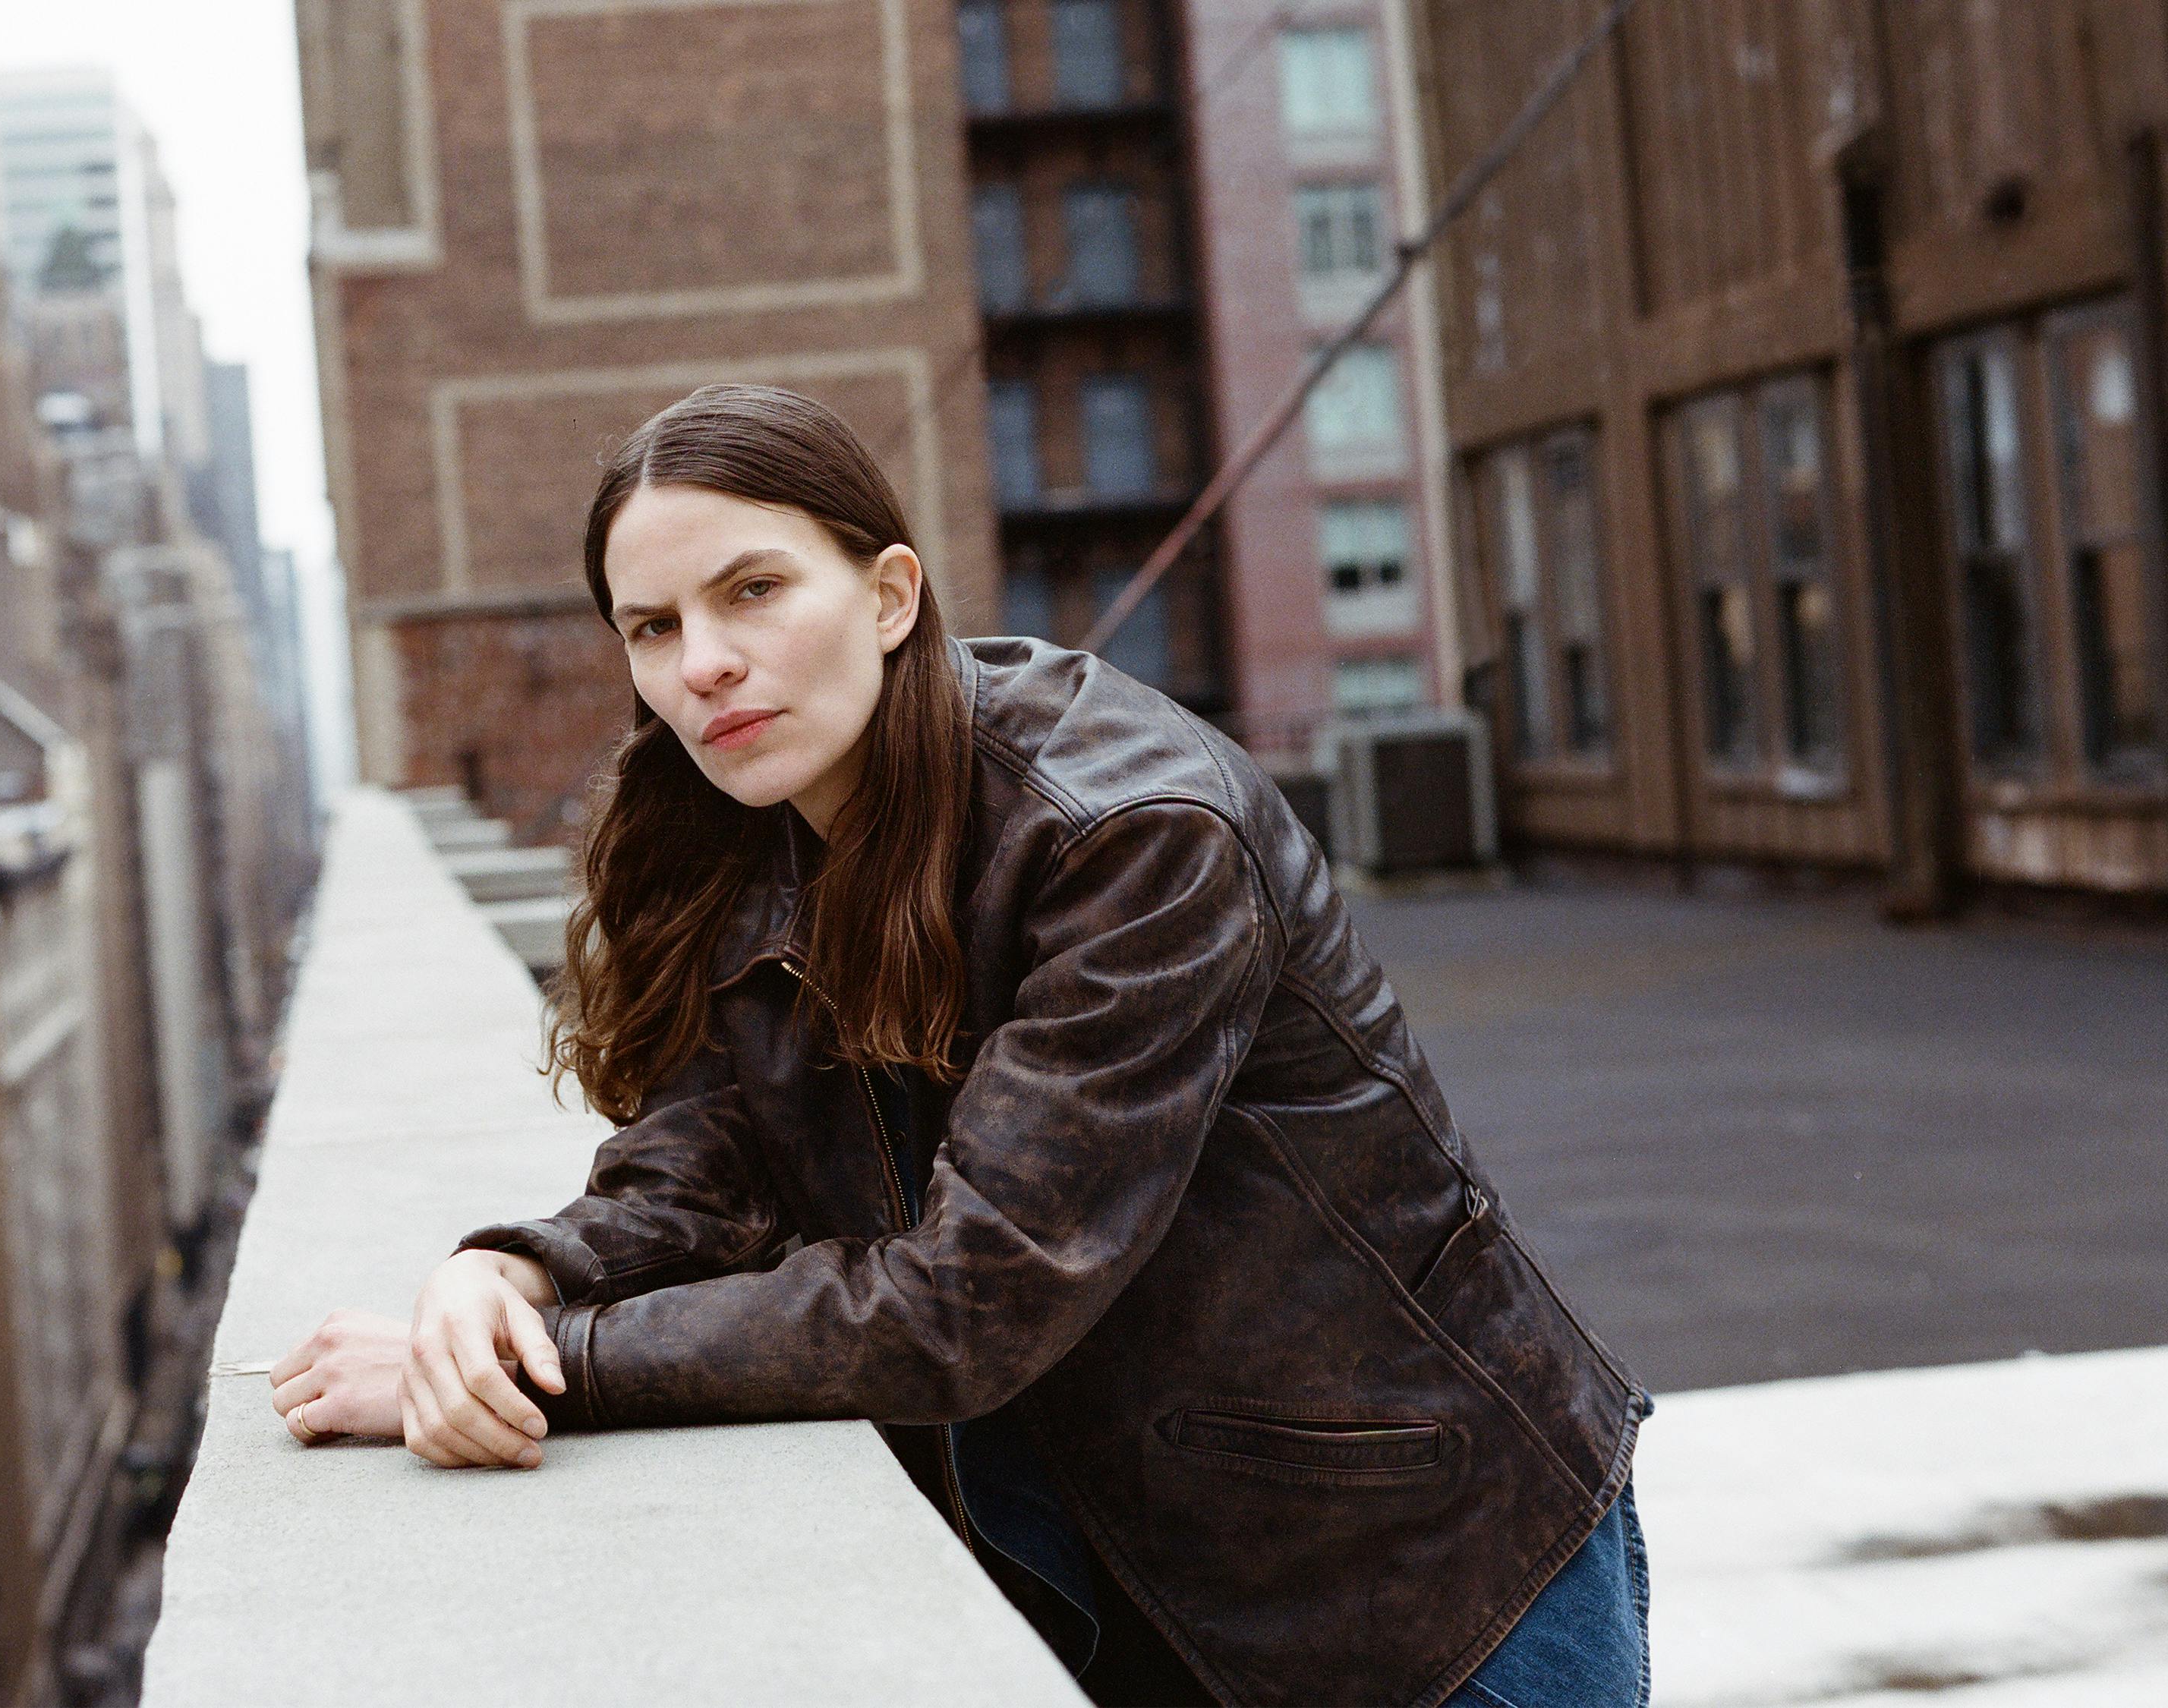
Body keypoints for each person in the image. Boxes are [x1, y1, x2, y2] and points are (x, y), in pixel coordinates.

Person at [264, 384, 1651, 1706]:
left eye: (752, 591)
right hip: (1110, 1578)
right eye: (651, 626)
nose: (701, 665)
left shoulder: (1132, 833)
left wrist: (550, 1367)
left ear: (889, 594)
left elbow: (968, 1303)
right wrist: (505, 1271)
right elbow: (696, 1177)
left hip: (1412, 1586)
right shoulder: (738, 832)